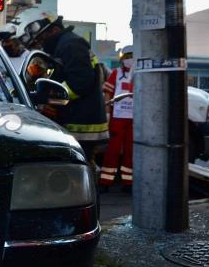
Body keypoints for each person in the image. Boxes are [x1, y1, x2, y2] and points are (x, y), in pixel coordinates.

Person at [24, 15, 109, 160]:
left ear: (55, 29)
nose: (41, 42)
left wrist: (48, 98)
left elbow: (80, 83)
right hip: (73, 120)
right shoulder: (62, 45)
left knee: (77, 171)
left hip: (81, 125)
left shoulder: (71, 44)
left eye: (42, 37)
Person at [100, 46, 134, 193]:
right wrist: (107, 113)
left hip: (133, 120)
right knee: (112, 150)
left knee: (130, 151)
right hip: (117, 118)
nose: (129, 60)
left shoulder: (139, 75)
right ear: (121, 60)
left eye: (131, 57)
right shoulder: (116, 73)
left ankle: (128, 183)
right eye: (126, 57)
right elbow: (107, 93)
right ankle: (105, 182)